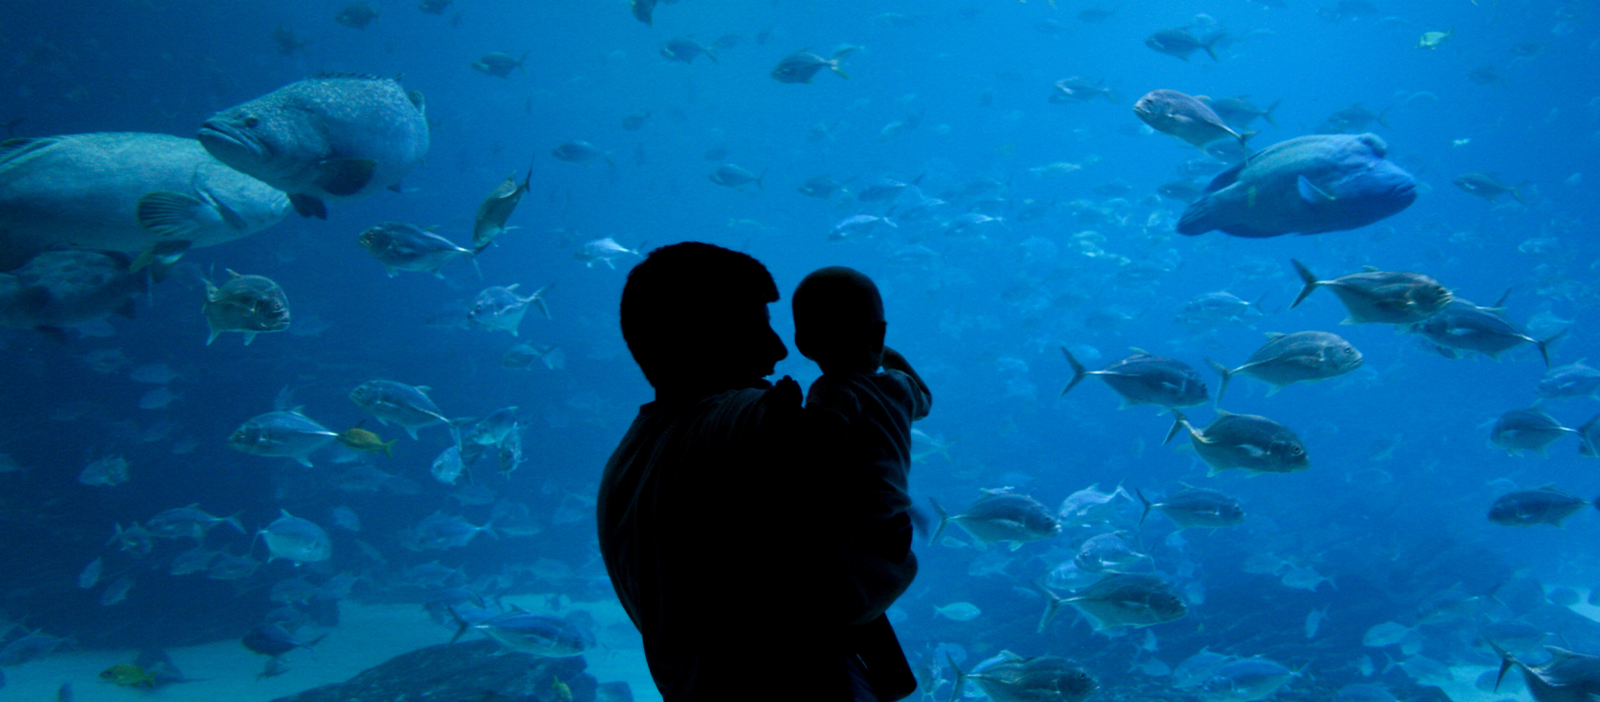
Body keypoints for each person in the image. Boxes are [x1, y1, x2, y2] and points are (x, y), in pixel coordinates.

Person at [597, 243, 917, 702]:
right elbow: (860, 582)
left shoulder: (625, 467)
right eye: (757, 328)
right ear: (699, 336)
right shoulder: (762, 423)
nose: (781, 350)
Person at [790, 267, 930, 623]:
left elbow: (820, 453)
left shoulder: (833, 391)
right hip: (895, 526)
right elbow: (926, 400)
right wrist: (892, 358)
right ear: (880, 335)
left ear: (803, 344)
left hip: (857, 525)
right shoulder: (899, 386)